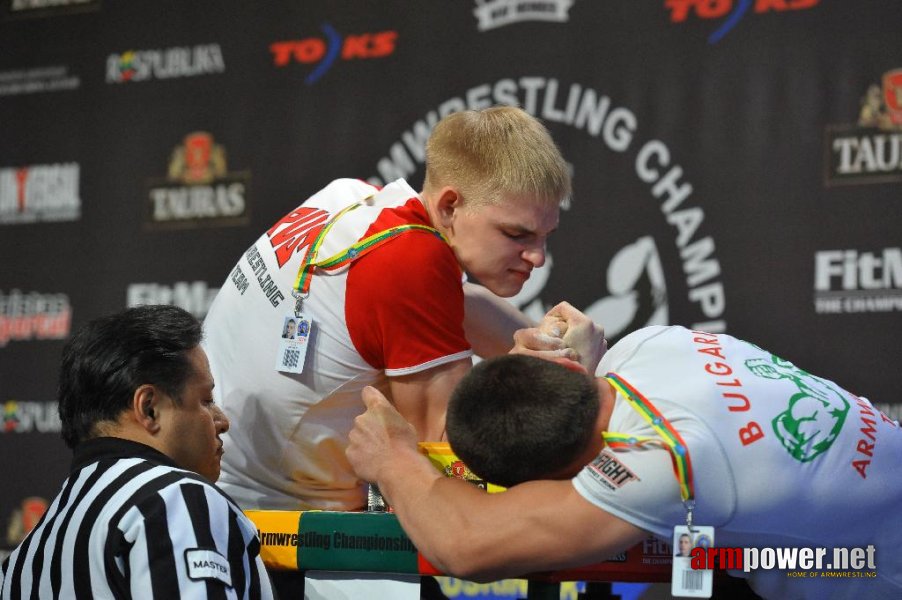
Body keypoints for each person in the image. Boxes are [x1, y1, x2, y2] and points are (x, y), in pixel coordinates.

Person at [346, 309, 902, 600]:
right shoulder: (648, 345)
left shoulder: (661, 459)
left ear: (554, 477)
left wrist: (394, 458)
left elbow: (465, 547)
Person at [201, 105, 572, 513]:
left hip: (215, 478)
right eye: (517, 234)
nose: (536, 257)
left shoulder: (355, 200)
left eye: (545, 236)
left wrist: (558, 352)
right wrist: (530, 379)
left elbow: (455, 305)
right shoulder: (411, 262)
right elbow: (447, 464)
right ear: (449, 206)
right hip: (273, 524)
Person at [0, 305, 273, 600]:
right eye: (205, 400)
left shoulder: (27, 555)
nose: (222, 421)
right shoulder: (173, 498)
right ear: (149, 408)